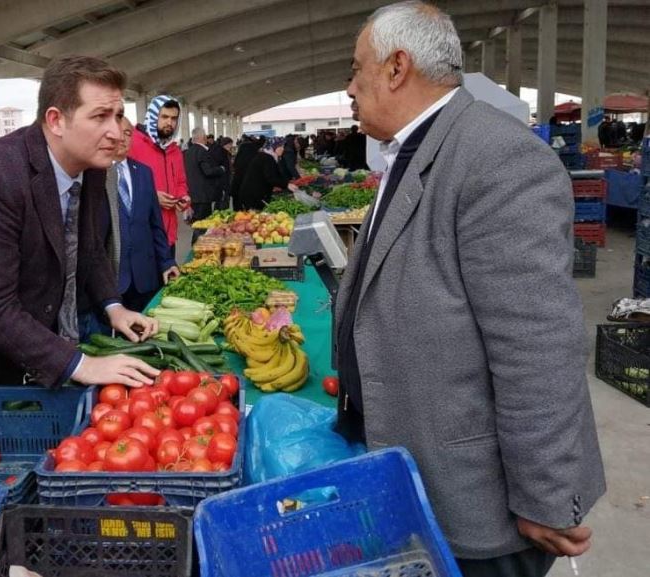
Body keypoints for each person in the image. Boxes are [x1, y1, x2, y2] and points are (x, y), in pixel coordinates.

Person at [334, 3, 605, 576]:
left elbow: (536, 344)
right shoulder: (414, 150)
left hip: (479, 504)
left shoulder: (496, 157)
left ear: (396, 68)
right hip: (423, 474)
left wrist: (544, 496)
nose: (350, 88)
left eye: (357, 70)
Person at [0, 55, 159, 426]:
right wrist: (81, 364)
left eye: (118, 116)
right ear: (56, 120)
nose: (117, 133)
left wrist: (113, 306)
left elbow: (87, 246)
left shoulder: (92, 166)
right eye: (100, 116)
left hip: (29, 349)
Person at [106, 117, 179, 313]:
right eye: (119, 132)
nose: (123, 138)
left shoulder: (144, 173)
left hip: (146, 276)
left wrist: (166, 261)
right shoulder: (95, 174)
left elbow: (156, 225)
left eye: (128, 133)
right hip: (113, 281)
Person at [129, 95, 190, 258]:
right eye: (164, 117)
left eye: (174, 118)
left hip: (169, 236)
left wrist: (183, 197)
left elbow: (181, 182)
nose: (169, 122)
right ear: (153, 116)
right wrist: (152, 197)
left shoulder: (175, 151)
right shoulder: (133, 144)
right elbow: (121, 187)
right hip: (143, 237)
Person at [237, 137, 300, 210]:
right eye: (281, 146)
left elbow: (272, 175)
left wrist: (284, 182)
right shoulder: (267, 158)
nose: (283, 149)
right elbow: (271, 177)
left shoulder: (267, 156)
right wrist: (287, 185)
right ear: (275, 147)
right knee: (255, 214)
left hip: (254, 192)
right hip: (254, 194)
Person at [185, 126, 226, 228]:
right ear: (203, 137)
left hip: (192, 194)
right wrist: (220, 169)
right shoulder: (202, 151)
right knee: (204, 225)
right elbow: (208, 171)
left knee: (196, 224)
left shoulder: (187, 152)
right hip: (203, 195)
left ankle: (196, 238)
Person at [231, 135, 265, 210]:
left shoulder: (241, 153)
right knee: (249, 209)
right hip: (249, 187)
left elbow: (235, 165)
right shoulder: (255, 156)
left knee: (237, 208)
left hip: (237, 184)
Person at [209, 136, 234, 210]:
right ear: (226, 144)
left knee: (221, 201)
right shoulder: (222, 153)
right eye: (230, 144)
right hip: (222, 182)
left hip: (222, 181)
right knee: (223, 201)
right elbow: (221, 167)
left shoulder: (222, 152)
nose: (231, 146)